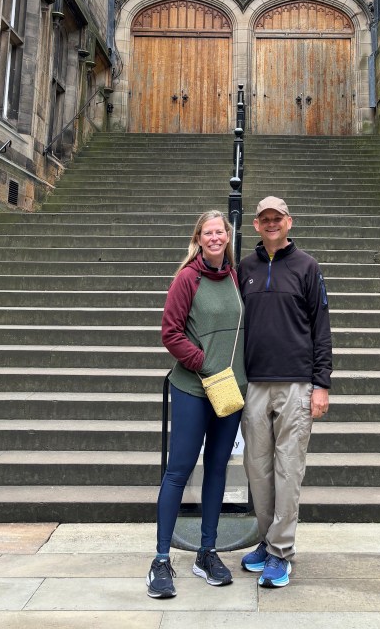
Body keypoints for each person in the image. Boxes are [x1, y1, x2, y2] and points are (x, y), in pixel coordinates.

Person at [146, 210, 246, 600]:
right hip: (193, 388)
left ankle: (207, 552)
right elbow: (170, 333)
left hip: (230, 391)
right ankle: (160, 559)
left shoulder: (236, 277)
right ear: (199, 238)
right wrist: (204, 364)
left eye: (221, 231)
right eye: (209, 232)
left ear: (228, 237)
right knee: (179, 471)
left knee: (218, 469)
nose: (215, 237)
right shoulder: (187, 279)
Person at [237, 195, 332, 588]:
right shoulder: (245, 268)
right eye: (265, 219)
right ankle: (267, 540)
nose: (271, 223)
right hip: (255, 383)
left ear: (289, 222)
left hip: (296, 382)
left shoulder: (307, 267)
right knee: (257, 469)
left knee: (288, 469)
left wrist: (321, 383)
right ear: (256, 225)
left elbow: (321, 328)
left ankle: (281, 552)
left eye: (278, 217)